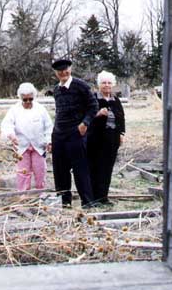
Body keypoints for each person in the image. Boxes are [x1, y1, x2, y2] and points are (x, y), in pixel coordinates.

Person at [51, 59, 98, 208]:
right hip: (59, 134)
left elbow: (93, 105)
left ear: (70, 69)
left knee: (80, 168)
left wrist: (85, 123)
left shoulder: (80, 85)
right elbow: (59, 112)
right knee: (60, 170)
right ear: (56, 73)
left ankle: (87, 202)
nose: (63, 73)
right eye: (60, 71)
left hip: (75, 132)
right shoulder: (56, 89)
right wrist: (53, 134)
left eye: (66, 70)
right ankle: (64, 201)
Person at [1, 82, 53, 191]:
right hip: (22, 146)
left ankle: (40, 193)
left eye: (30, 99)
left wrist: (49, 141)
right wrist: (11, 135)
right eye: (25, 100)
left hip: (38, 146)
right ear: (20, 98)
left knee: (40, 170)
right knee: (23, 172)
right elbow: (6, 125)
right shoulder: (14, 110)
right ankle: (23, 195)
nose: (28, 102)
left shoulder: (41, 109)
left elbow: (49, 127)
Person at [87, 70, 125, 205]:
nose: (107, 85)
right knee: (95, 167)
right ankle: (93, 197)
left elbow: (121, 118)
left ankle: (103, 197)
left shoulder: (116, 100)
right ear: (99, 84)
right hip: (96, 138)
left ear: (113, 84)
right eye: (104, 83)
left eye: (109, 83)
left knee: (107, 168)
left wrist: (121, 133)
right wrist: (97, 114)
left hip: (112, 138)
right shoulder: (93, 98)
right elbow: (85, 117)